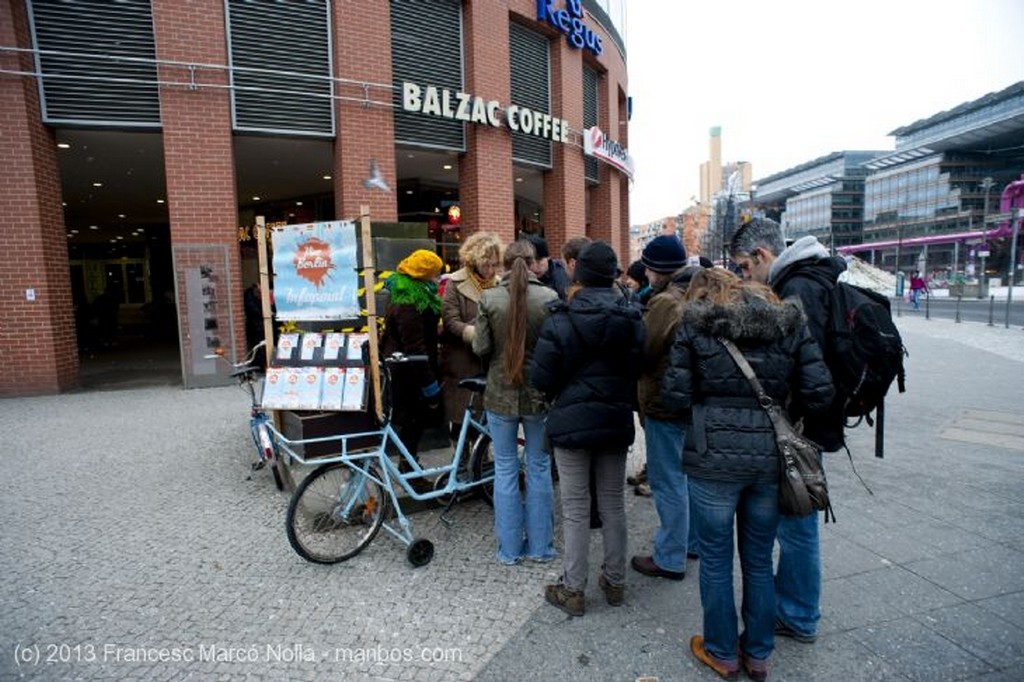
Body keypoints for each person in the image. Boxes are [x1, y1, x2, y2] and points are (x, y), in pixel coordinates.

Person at [662, 268, 834, 680]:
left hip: (712, 460)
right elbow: (820, 391)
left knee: (716, 560)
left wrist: (706, 418)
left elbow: (674, 396)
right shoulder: (789, 324)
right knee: (758, 559)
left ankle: (721, 652)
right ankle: (758, 653)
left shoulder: (695, 325)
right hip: (769, 460)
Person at [729, 217, 846, 645]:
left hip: (799, 429)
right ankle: (797, 606)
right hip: (810, 425)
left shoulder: (798, 290)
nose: (745, 275)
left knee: (797, 525)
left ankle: (797, 614)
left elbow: (803, 372)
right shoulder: (815, 276)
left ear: (762, 255)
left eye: (744, 266)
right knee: (799, 521)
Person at [532, 241, 644, 616]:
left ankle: (573, 589)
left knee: (577, 508)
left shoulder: (560, 319)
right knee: (612, 504)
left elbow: (541, 378)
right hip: (614, 419)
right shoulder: (632, 319)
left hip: (570, 423)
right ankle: (615, 582)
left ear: (578, 274)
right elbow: (637, 369)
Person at [473, 239, 558, 565]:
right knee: (538, 469)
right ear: (535, 263)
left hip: (499, 394)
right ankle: (541, 548)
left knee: (505, 470)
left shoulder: (490, 298)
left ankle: (509, 550)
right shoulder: (549, 298)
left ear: (505, 265)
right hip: (539, 395)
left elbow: (480, 347)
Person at [631, 234, 694, 581]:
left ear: (658, 269)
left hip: (665, 400)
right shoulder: (693, 290)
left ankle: (670, 556)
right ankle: (690, 542)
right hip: (689, 399)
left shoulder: (666, 302)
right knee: (687, 477)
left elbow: (645, 350)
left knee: (668, 480)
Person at [380, 248, 445, 492]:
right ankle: (409, 471)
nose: (438, 278)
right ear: (424, 274)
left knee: (411, 423)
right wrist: (430, 386)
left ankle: (408, 467)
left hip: (407, 368)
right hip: (408, 373)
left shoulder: (406, 290)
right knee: (412, 421)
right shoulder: (409, 301)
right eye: (435, 274)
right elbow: (414, 347)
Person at [440, 232, 502, 436]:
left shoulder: (500, 285)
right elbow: (450, 320)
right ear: (473, 261)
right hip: (462, 360)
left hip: (491, 362)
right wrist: (475, 334)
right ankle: (463, 460)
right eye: (486, 265)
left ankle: (483, 460)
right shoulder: (455, 284)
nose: (491, 270)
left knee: (489, 418)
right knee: (461, 419)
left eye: (495, 264)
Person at [522, 233, 571, 300]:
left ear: (548, 257)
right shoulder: (520, 275)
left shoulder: (561, 275)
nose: (534, 267)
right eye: (530, 262)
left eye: (539, 261)